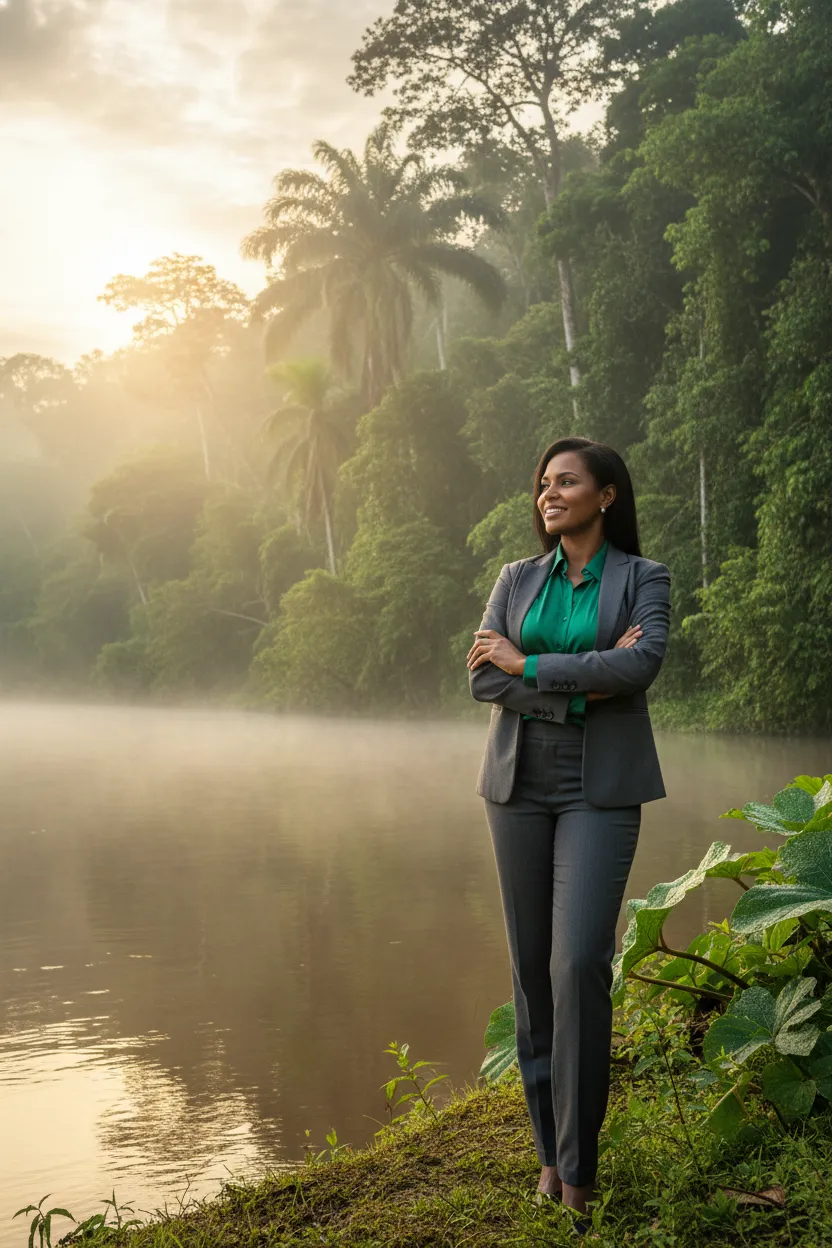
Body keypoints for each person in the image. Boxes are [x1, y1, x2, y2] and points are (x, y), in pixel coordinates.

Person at [466, 436, 671, 1227]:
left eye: (568, 481)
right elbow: (482, 674)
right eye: (543, 482)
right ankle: (549, 1157)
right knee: (530, 972)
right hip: (516, 786)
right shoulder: (515, 579)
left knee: (579, 960)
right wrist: (576, 677)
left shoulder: (642, 579)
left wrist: (530, 668)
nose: (549, 493)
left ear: (607, 495)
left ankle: (583, 1169)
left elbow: (641, 664)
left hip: (601, 787)